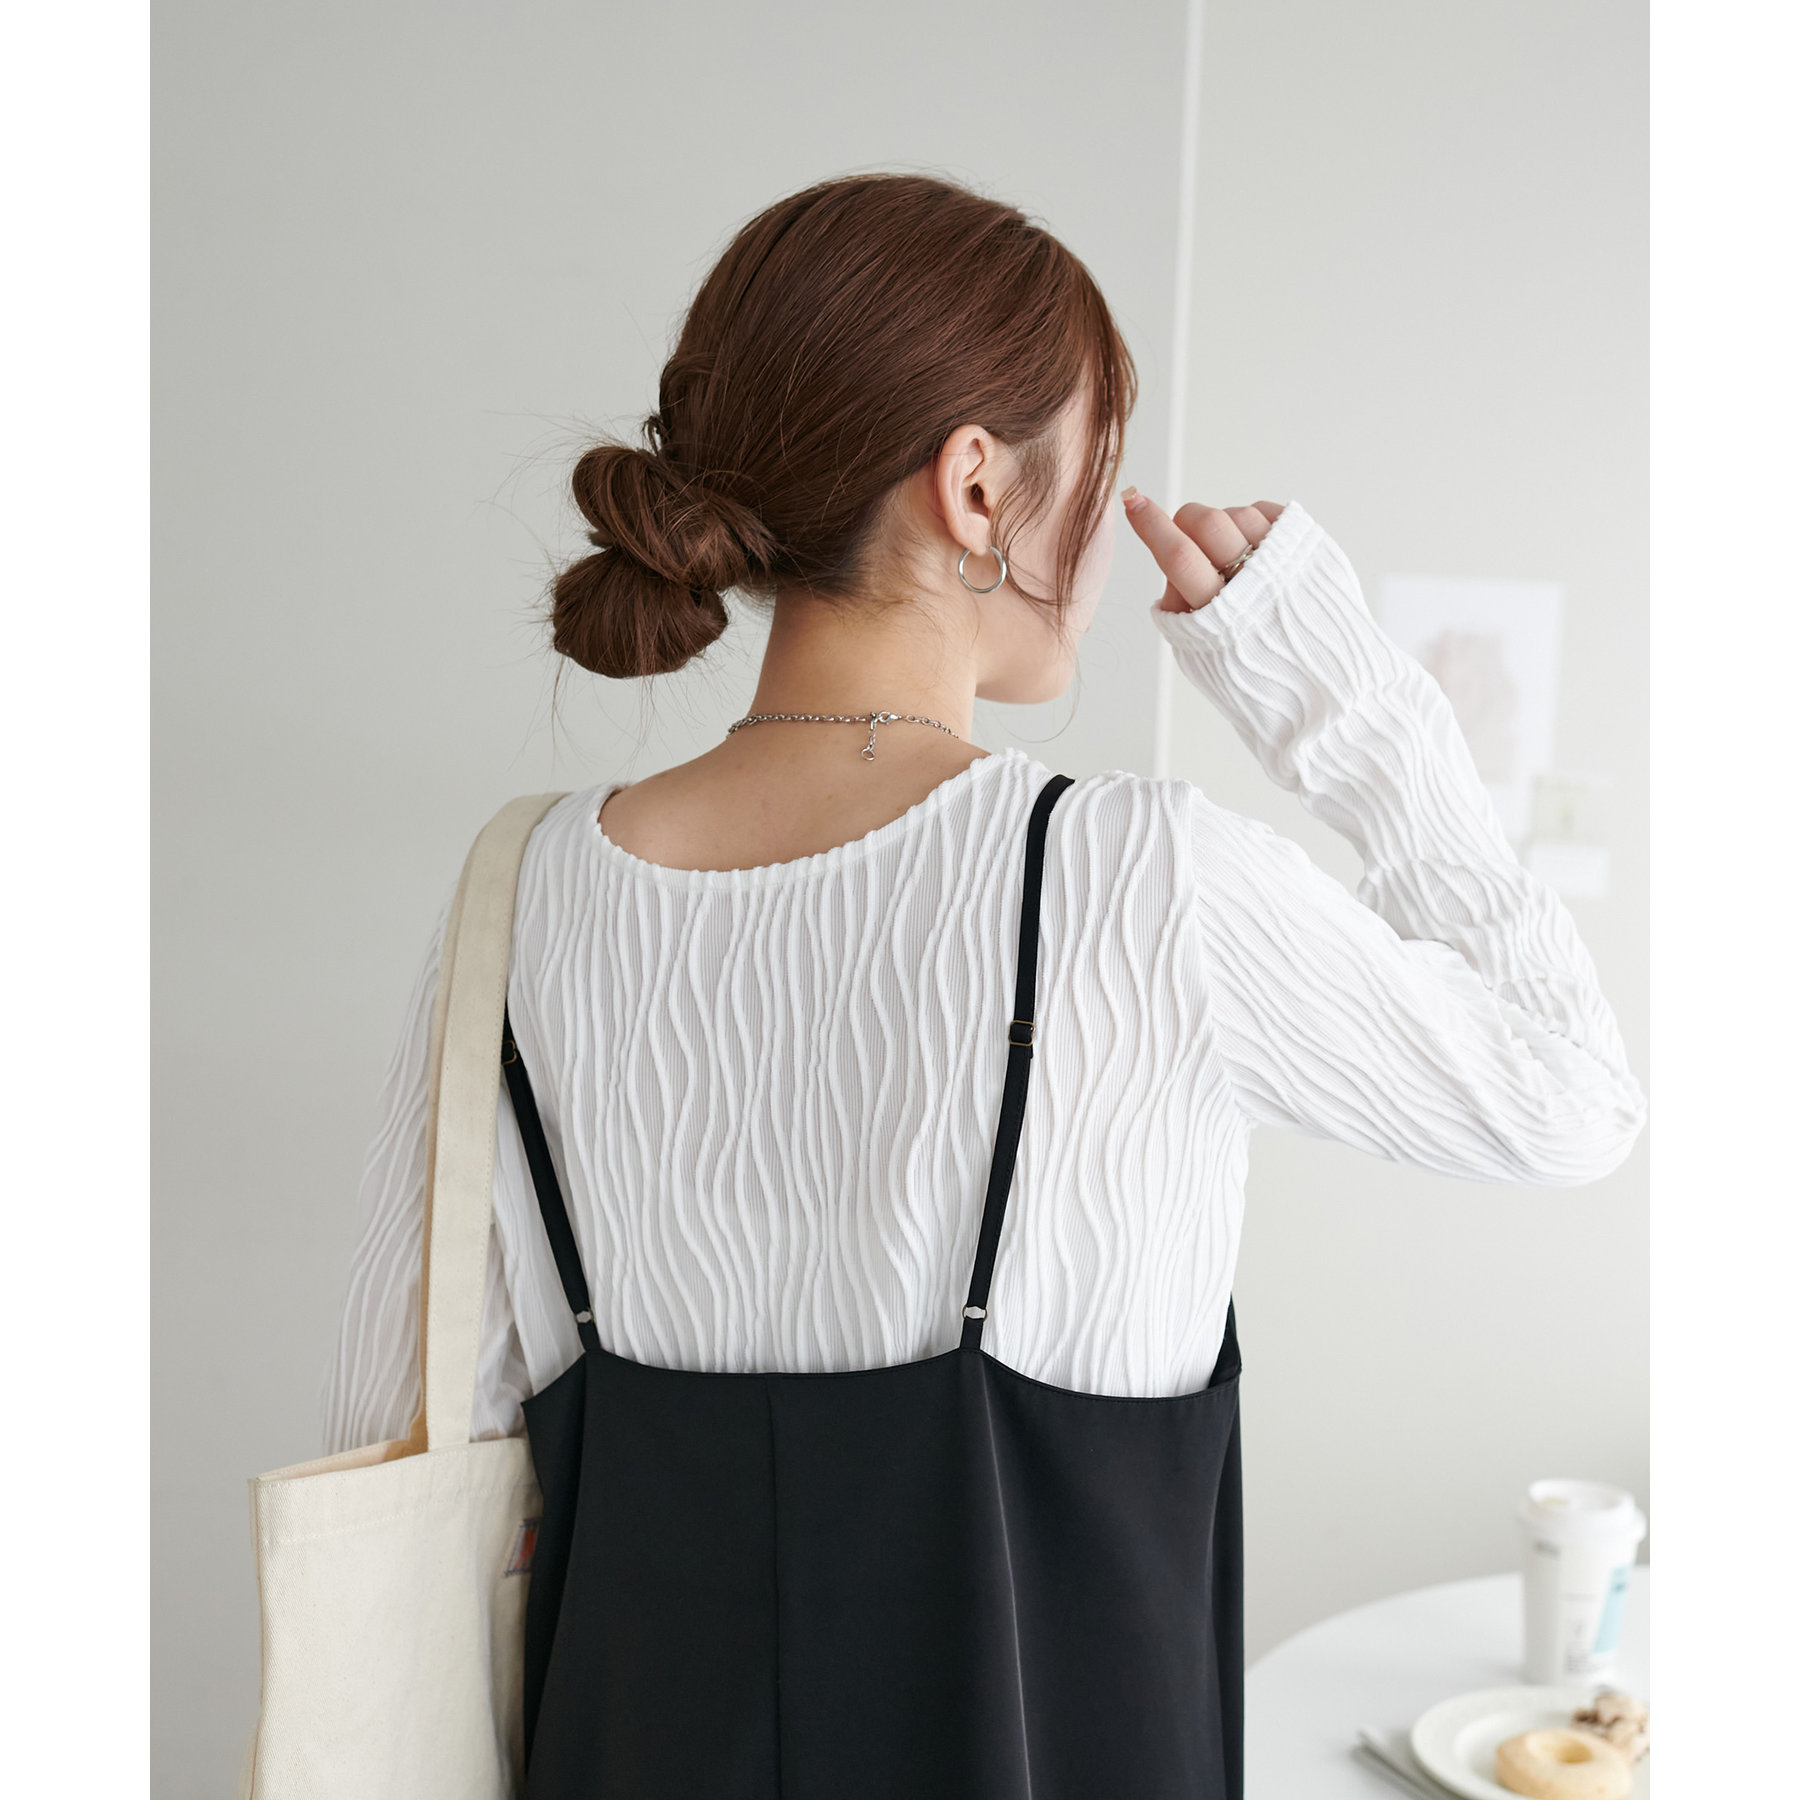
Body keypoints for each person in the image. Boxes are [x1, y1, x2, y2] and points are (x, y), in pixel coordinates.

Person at [321, 173, 1645, 1798]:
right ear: (973, 487)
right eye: (1097, 459)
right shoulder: (1138, 880)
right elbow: (1571, 1101)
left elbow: (391, 1434)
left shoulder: (515, 896)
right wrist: (1337, 694)